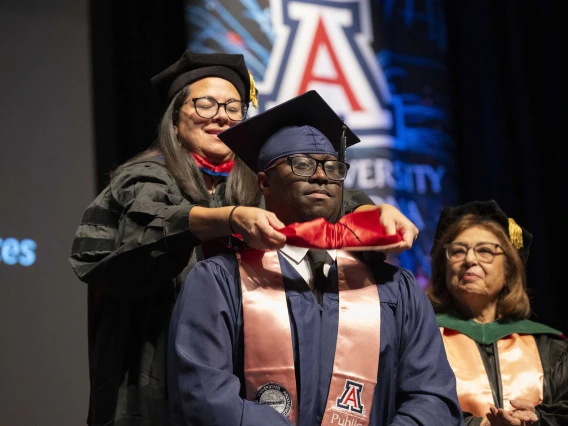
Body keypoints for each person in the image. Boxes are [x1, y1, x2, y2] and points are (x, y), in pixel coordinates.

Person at [69, 50, 419, 426]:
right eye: (206, 104)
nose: (221, 115)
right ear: (174, 121)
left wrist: (374, 213)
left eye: (234, 107)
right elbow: (148, 228)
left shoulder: (253, 180)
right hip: (154, 360)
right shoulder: (145, 177)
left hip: (246, 363)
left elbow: (320, 203)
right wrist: (229, 219)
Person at [167, 90, 463, 426]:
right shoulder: (219, 280)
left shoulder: (394, 287)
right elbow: (202, 395)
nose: (322, 175)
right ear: (264, 182)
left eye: (333, 167)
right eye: (302, 163)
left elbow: (433, 397)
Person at [426, 200, 568, 426]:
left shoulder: (549, 346)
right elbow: (408, 407)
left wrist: (536, 420)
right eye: (458, 251)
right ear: (444, 269)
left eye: (484, 251)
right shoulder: (423, 341)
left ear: (509, 269)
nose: (470, 260)